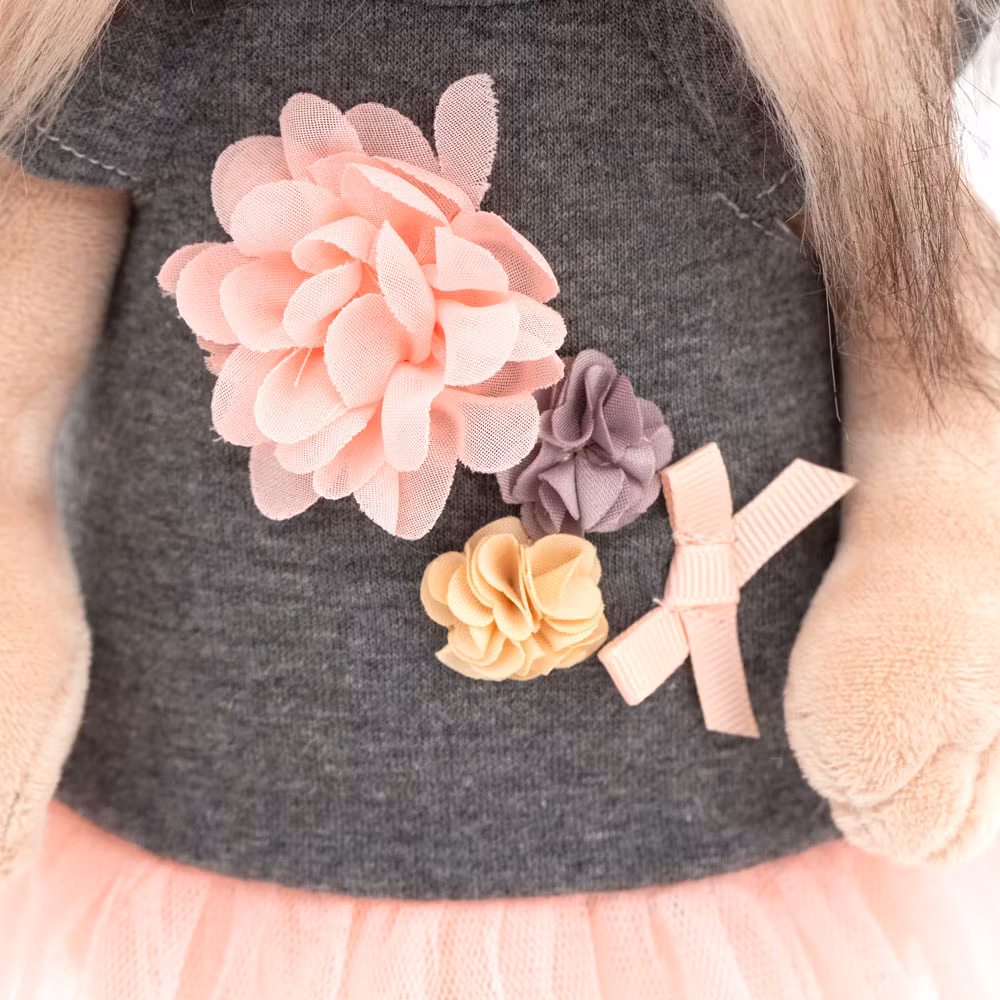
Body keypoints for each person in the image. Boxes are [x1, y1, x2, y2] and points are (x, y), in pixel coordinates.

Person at [2, 0, 1000, 995]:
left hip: (694, 832)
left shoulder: (767, 46)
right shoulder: (156, 34)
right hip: (219, 836)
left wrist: (924, 565)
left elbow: (931, 344)